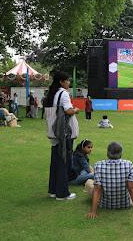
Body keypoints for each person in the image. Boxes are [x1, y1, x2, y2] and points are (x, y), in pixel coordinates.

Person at [86, 142, 133, 219]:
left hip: (104, 204)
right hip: (125, 203)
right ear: (121, 153)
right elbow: (131, 188)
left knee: (89, 182)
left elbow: (97, 189)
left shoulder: (98, 165)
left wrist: (93, 211)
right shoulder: (129, 164)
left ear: (108, 152)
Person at [46, 71, 80, 200]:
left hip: (55, 132)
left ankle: (53, 190)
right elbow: (68, 111)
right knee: (63, 162)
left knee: (55, 161)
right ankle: (62, 193)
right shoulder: (63, 94)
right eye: (67, 80)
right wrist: (76, 109)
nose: (69, 83)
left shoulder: (53, 93)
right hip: (64, 133)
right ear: (61, 81)